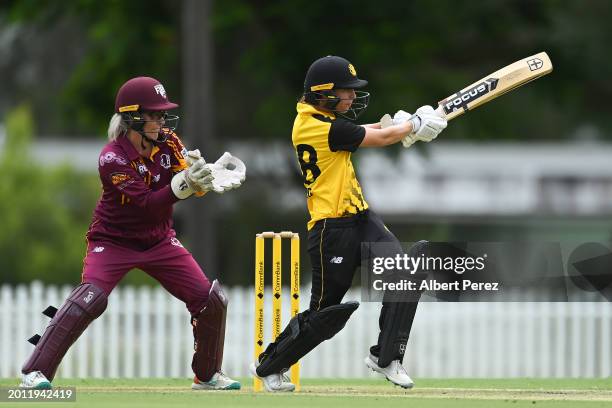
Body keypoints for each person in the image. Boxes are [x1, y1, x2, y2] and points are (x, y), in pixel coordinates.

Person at [19, 76, 246, 391]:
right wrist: (186, 185)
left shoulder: (170, 143)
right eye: (154, 115)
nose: (161, 121)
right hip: (113, 241)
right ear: (132, 118)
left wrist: (204, 177)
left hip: (159, 239)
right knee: (90, 298)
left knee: (211, 299)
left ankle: (207, 375)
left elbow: (190, 182)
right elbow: (147, 203)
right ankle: (35, 372)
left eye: (162, 114)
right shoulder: (112, 157)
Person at [250, 56, 447, 391]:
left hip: (361, 218)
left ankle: (386, 358)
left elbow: (369, 131)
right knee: (324, 316)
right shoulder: (318, 126)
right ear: (325, 93)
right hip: (331, 231)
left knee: (404, 273)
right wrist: (410, 126)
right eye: (347, 91)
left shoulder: (320, 120)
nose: (353, 98)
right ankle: (270, 366)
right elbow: (378, 138)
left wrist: (404, 126)